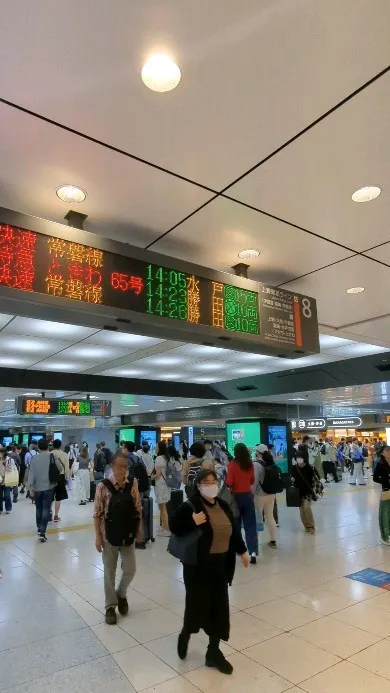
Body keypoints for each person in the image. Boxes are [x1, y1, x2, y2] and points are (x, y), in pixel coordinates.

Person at [170, 469, 249, 675]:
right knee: (197, 605)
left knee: (220, 609)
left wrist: (242, 551)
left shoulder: (222, 505)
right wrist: (192, 521)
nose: (211, 485)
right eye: (206, 482)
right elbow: (174, 526)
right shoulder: (192, 505)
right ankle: (186, 632)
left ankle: (213, 652)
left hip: (220, 565)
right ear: (198, 486)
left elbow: (232, 531)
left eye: (214, 481)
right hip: (198, 566)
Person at [93, 454, 142, 624]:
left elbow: (137, 508)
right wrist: (98, 537)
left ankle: (121, 593)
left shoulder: (132, 483)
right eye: (119, 466)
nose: (123, 470)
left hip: (128, 534)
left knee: (130, 569)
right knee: (109, 573)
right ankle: (110, 607)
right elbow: (97, 513)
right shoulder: (102, 486)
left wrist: (139, 529)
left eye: (125, 467)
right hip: (109, 536)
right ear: (112, 467)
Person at [226, 442, 258, 564]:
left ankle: (238, 549)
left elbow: (229, 481)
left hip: (236, 498)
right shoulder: (249, 464)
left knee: (236, 525)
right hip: (248, 497)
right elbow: (252, 480)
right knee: (250, 525)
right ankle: (253, 552)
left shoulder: (232, 465)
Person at [27, 438, 62, 541]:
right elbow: (60, 469)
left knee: (38, 508)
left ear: (38, 447)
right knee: (46, 509)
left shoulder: (34, 459)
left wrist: (30, 487)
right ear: (48, 446)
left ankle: (39, 528)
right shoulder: (53, 456)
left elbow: (31, 474)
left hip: (37, 487)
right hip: (49, 486)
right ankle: (42, 532)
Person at [253, 449, 279, 548]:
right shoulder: (271, 462)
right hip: (271, 494)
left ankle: (255, 543)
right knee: (270, 517)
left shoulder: (256, 465)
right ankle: (273, 541)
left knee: (257, 518)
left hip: (259, 495)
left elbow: (254, 481)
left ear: (259, 453)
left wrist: (251, 493)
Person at [291, 453, 316, 534]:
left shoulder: (309, 468)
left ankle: (311, 526)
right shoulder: (294, 468)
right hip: (298, 492)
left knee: (307, 508)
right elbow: (292, 477)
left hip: (307, 491)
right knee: (302, 510)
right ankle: (306, 526)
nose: (298, 460)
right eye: (297, 458)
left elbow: (313, 480)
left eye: (300, 458)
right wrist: (292, 479)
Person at [152, 440, 173, 536]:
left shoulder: (159, 458)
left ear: (159, 448)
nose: (155, 448)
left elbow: (158, 474)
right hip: (166, 484)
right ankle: (163, 527)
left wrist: (149, 477)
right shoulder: (166, 457)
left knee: (163, 508)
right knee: (162, 507)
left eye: (156, 447)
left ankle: (167, 529)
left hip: (161, 485)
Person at [373, 446, 390, 544]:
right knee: (385, 514)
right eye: (387, 451)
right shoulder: (380, 464)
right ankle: (385, 536)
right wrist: (386, 480)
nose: (389, 452)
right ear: (383, 453)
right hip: (386, 491)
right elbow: (375, 478)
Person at [51, 439, 69, 522]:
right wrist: (67, 477)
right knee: (58, 497)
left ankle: (49, 514)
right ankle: (56, 516)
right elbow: (66, 468)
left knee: (50, 496)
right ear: (60, 446)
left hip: (50, 477)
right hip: (60, 477)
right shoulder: (64, 454)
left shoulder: (49, 454)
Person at [0, 449, 14, 514]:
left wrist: (8, 468)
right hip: (0, 479)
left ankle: (8, 508)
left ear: (3, 453)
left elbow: (13, 469)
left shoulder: (9, 460)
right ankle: (0, 509)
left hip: (7, 480)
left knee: (7, 495)